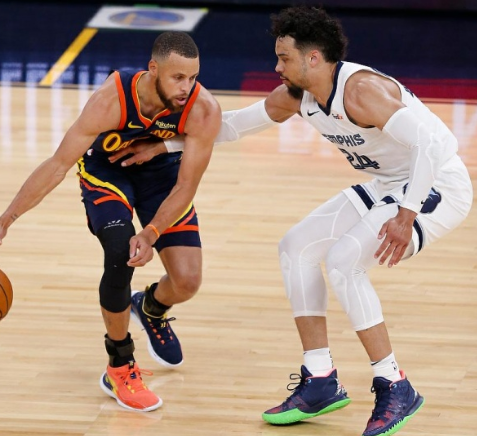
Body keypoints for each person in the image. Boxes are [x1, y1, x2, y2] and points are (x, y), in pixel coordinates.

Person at [109, 6, 473, 436]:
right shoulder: (298, 96)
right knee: (296, 246)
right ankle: (320, 378)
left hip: (438, 184)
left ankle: (395, 385)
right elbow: (232, 126)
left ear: (313, 58)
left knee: (344, 262)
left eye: (284, 58)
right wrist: (164, 146)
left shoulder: (362, 91)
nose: (277, 67)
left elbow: (432, 144)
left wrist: (407, 213)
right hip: (391, 182)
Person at [0, 31, 221, 412]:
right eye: (178, 77)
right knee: (120, 253)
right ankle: (120, 364)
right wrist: (5, 219)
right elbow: (58, 165)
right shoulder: (111, 99)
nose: (187, 87)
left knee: (187, 281)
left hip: (163, 179)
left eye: (193, 77)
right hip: (108, 172)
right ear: (153, 69)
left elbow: (186, 186)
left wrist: (151, 233)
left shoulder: (203, 109)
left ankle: (151, 307)